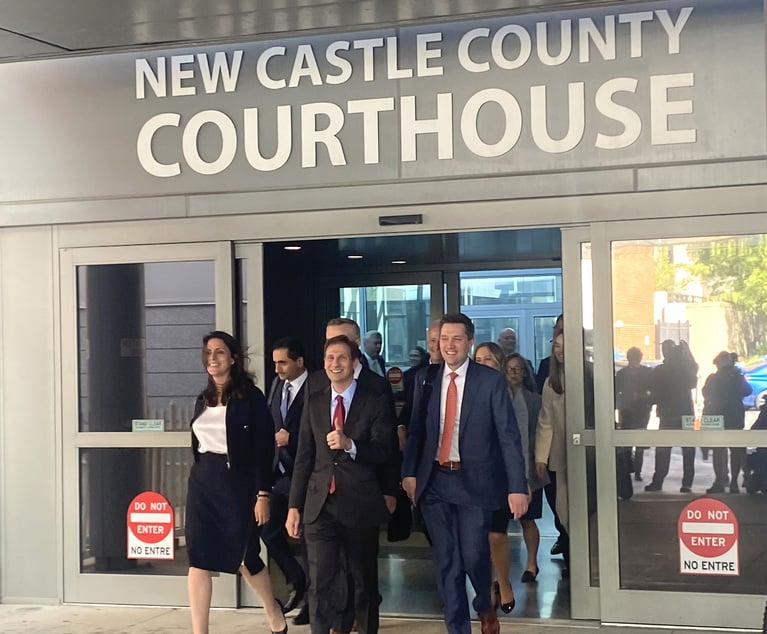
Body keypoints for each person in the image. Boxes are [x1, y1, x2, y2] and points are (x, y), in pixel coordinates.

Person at [402, 313, 528, 634]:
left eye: (457, 339)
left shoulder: (490, 381)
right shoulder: (425, 379)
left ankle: (485, 605)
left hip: (475, 484)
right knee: (446, 562)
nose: (449, 345)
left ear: (469, 342)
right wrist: (409, 473)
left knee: (473, 555)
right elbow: (416, 431)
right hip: (435, 482)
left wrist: (517, 486)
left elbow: (508, 436)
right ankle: (458, 629)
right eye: (444, 339)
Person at [287, 335, 395, 634]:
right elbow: (304, 456)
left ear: (354, 362)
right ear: (323, 363)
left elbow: (384, 450)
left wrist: (351, 444)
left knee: (363, 582)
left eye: (342, 358)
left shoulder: (372, 400)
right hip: (320, 503)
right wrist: (294, 506)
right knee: (320, 582)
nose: (336, 364)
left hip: (359, 503)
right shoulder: (316, 400)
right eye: (330, 358)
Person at [186, 331, 287, 634]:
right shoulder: (202, 399)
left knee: (245, 556)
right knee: (198, 560)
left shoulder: (250, 397)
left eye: (219, 352)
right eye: (208, 353)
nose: (212, 358)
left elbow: (263, 449)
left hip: (238, 485)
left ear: (233, 358)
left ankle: (273, 611)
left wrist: (263, 493)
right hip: (204, 483)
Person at [263, 337, 309, 621]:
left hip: (303, 476)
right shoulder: (277, 386)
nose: (277, 369)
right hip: (279, 475)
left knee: (308, 540)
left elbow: (320, 430)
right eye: (275, 363)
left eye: (283, 362)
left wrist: (292, 440)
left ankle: (312, 603)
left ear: (299, 362)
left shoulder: (316, 387)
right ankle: (297, 579)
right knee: (267, 531)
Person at [504, 353, 546, 585]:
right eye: (509, 368)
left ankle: (531, 563)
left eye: (518, 369)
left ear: (524, 372)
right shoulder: (497, 397)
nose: (513, 373)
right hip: (502, 470)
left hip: (529, 466)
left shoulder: (534, 400)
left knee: (528, 519)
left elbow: (538, 435)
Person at [535, 331, 570, 576]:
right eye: (556, 345)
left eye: (564, 346)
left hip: (586, 456)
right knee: (564, 511)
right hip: (560, 457)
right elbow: (545, 422)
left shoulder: (589, 375)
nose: (559, 350)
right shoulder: (551, 381)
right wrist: (541, 457)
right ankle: (572, 562)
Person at [645, 339, 699, 493]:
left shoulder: (664, 370)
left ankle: (660, 480)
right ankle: (684, 482)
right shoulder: (680, 369)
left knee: (666, 449)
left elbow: (651, 389)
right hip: (680, 412)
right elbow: (694, 372)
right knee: (680, 450)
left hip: (672, 413)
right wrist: (687, 353)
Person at [702, 351, 752, 494]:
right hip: (732, 418)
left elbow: (706, 394)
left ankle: (722, 480)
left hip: (721, 419)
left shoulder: (716, 378)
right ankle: (732, 482)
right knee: (732, 451)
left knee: (721, 451)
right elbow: (747, 391)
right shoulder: (735, 377)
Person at [614, 346, 653, 480]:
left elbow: (652, 391)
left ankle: (636, 471)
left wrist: (644, 398)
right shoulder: (623, 374)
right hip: (628, 411)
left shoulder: (646, 372)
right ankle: (632, 470)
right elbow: (616, 392)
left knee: (637, 442)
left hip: (640, 410)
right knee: (628, 443)